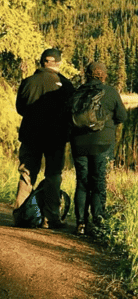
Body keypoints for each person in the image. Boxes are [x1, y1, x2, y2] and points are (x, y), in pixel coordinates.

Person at [14, 48, 74, 229]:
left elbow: (20, 108)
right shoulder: (66, 84)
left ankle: (21, 216)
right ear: (58, 63)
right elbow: (71, 112)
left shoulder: (28, 82)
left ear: (41, 62)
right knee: (53, 176)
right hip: (55, 138)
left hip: (31, 135)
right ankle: (51, 218)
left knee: (27, 173)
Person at [70, 61, 127, 235]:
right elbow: (122, 116)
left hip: (79, 143)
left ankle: (80, 223)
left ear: (86, 74)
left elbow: (68, 117)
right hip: (103, 143)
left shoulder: (77, 92)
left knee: (82, 182)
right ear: (103, 75)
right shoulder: (110, 92)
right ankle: (98, 222)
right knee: (98, 182)